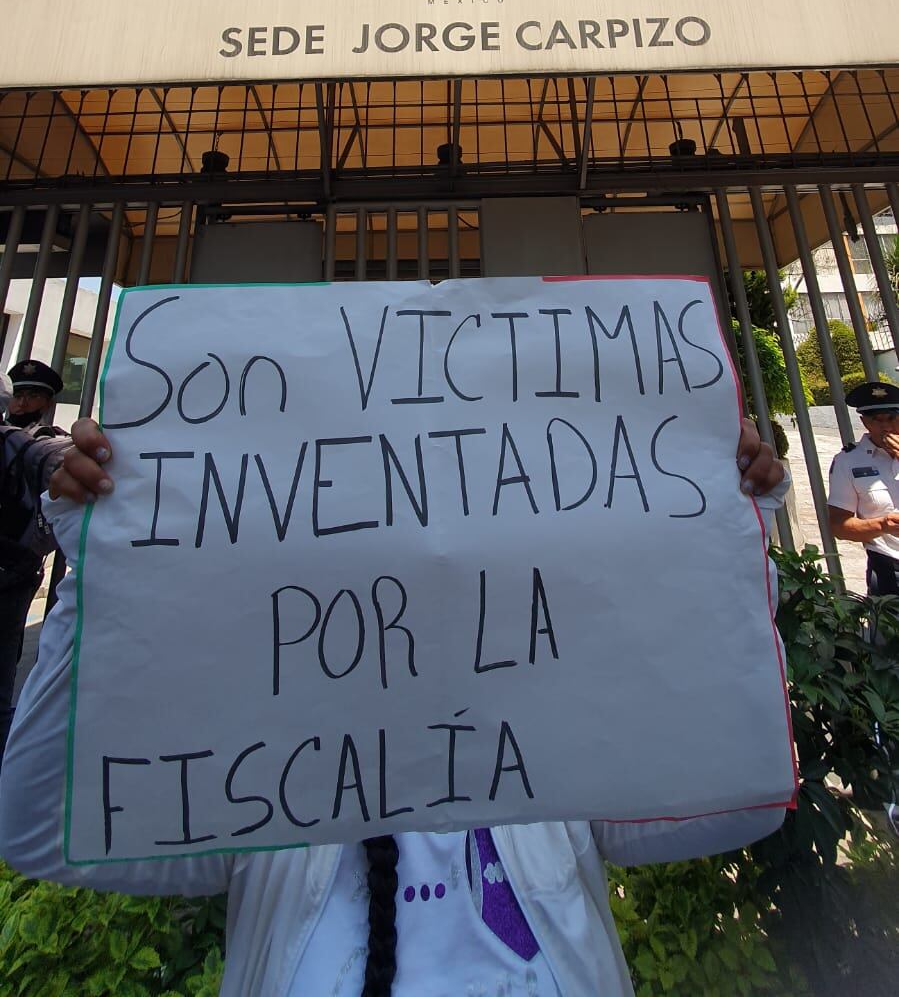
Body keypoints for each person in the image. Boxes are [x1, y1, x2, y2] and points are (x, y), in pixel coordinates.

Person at [0, 418, 789, 997]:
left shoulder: (552, 767)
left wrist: (730, 529)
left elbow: (745, 794)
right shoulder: (256, 791)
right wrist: (95, 576)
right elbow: (38, 826)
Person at [0, 384, 69, 763]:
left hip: (10, 577)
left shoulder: (23, 441)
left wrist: (76, 462)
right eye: (18, 395)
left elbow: (54, 455)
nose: (21, 403)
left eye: (31, 396)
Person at [828, 379, 899, 597]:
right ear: (864, 422)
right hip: (889, 566)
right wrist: (883, 524)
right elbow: (840, 526)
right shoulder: (848, 461)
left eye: (892, 418)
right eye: (876, 420)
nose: (886, 426)